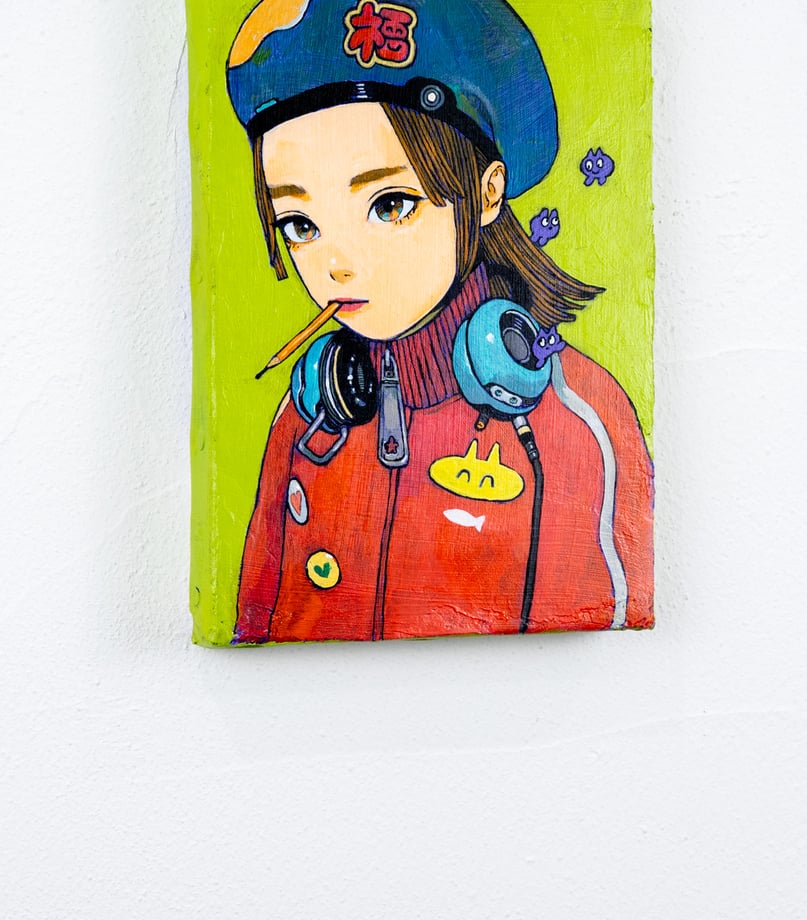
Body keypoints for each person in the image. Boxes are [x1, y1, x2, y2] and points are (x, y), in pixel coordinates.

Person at [226, 0, 654, 642]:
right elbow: (255, 625)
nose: (337, 265)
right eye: (300, 224)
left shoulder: (578, 423)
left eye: (390, 205)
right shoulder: (310, 414)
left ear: (485, 193)